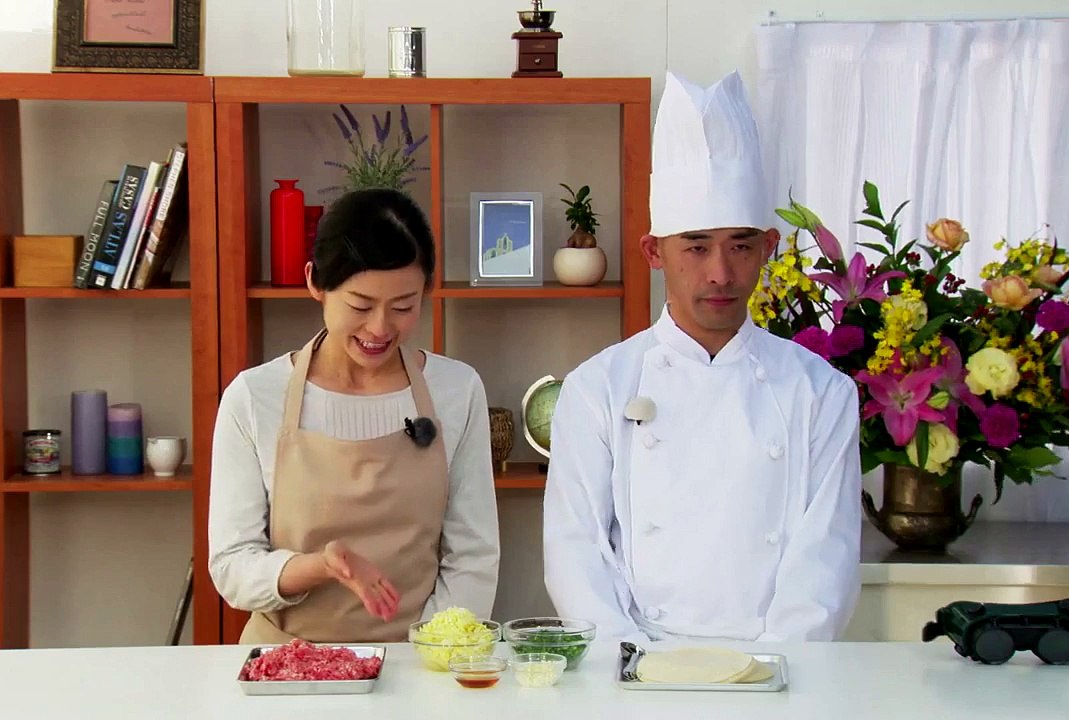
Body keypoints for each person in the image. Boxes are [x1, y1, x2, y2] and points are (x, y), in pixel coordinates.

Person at [542, 70, 862, 644]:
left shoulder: (820, 391)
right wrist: (634, 664)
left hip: (778, 672)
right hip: (636, 669)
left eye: (740, 246)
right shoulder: (598, 388)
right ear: (654, 252)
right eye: (695, 247)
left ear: (769, 247)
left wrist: (768, 670)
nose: (720, 272)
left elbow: (826, 560)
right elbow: (576, 550)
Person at [209, 187, 500, 644]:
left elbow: (473, 555)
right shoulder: (254, 397)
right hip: (285, 665)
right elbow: (232, 565)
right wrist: (319, 566)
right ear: (316, 283)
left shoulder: (456, 390)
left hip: (418, 661)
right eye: (360, 306)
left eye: (403, 306)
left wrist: (429, 653)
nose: (381, 328)